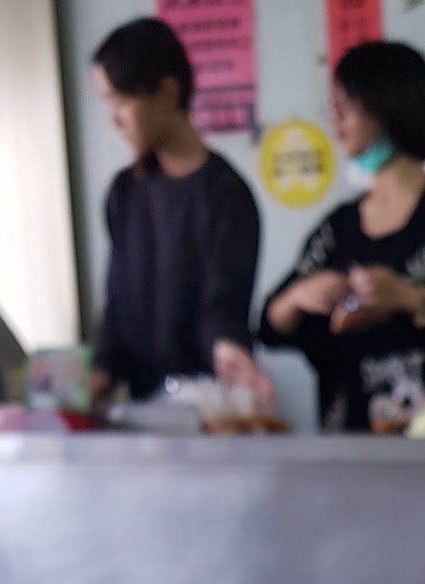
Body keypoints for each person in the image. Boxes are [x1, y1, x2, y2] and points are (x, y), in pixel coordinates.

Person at [260, 41, 425, 432]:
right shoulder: (336, 229)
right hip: (349, 445)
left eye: (347, 104)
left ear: (386, 106)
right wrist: (300, 296)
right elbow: (270, 327)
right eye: (334, 105)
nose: (335, 117)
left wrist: (409, 298)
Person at [90, 17, 271, 405]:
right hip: (139, 413)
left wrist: (228, 348)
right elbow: (117, 307)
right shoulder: (124, 193)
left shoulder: (226, 195)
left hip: (205, 410)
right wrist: (97, 373)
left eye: (122, 101)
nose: (114, 120)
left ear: (167, 93)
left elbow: (224, 304)